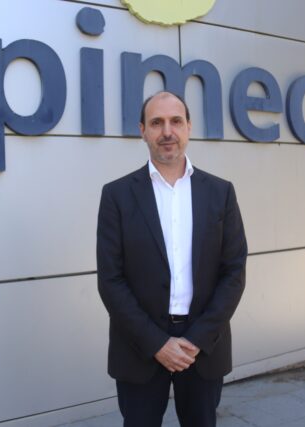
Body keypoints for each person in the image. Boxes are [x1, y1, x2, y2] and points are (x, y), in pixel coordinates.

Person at [96, 91, 248, 427]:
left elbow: (234, 272)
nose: (167, 131)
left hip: (203, 347)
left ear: (189, 127)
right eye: (157, 123)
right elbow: (110, 280)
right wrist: (157, 343)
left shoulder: (220, 192)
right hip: (138, 347)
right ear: (142, 131)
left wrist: (196, 340)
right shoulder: (116, 195)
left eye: (176, 121)